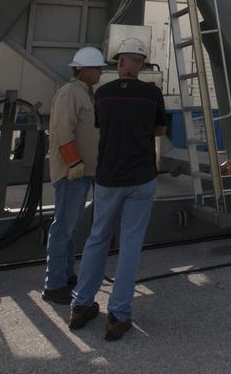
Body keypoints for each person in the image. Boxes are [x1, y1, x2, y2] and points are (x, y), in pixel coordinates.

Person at [70, 36, 167, 341]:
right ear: (141, 64)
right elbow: (160, 129)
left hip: (108, 178)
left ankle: (81, 305)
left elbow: (101, 126)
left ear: (121, 61)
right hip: (141, 177)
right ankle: (119, 315)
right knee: (130, 245)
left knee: (97, 239)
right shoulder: (152, 94)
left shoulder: (103, 93)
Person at [42, 46, 105, 305]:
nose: (100, 73)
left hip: (83, 171)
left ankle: (66, 276)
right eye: (97, 68)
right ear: (84, 70)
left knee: (70, 228)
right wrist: (73, 162)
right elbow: (62, 131)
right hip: (72, 173)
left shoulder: (86, 94)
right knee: (63, 228)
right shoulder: (70, 93)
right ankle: (54, 284)